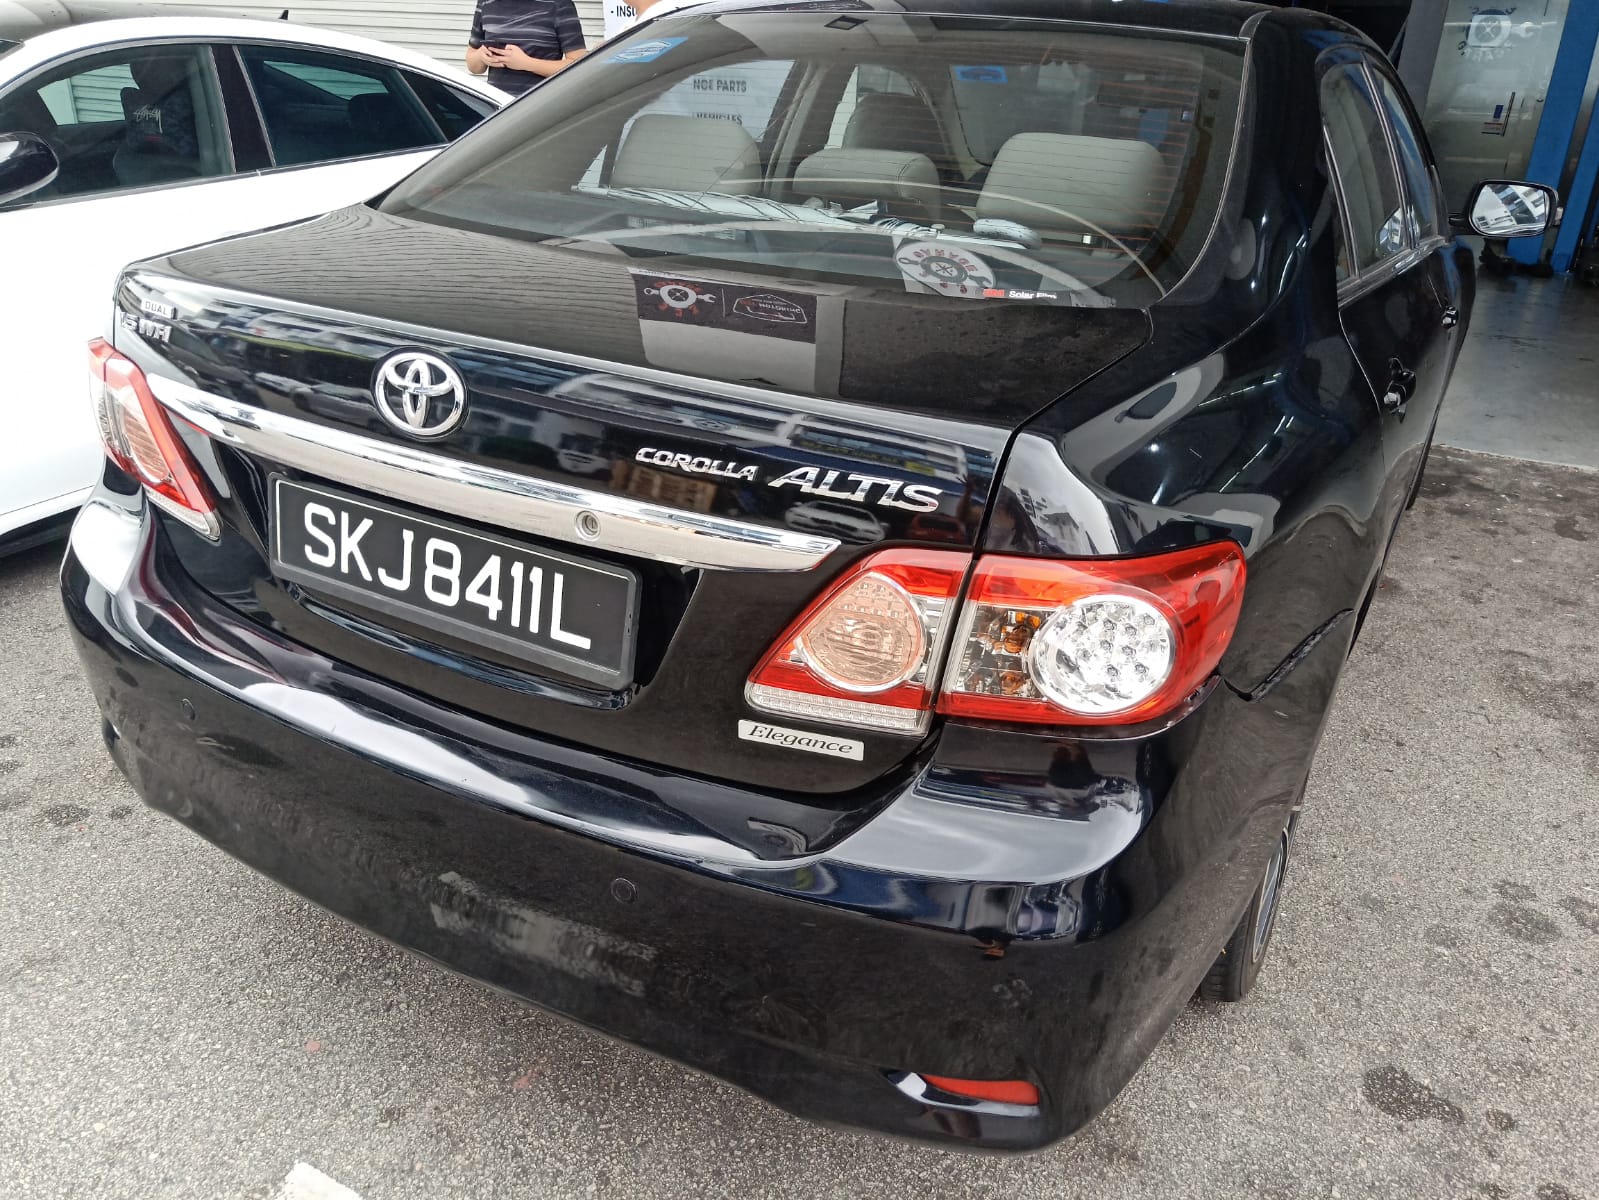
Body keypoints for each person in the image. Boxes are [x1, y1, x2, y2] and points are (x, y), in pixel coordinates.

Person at [466, 0, 586, 97]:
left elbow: (580, 66)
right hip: (498, 109)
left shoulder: (560, 4)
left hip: (541, 108)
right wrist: (481, 56)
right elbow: (474, 66)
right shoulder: (486, 3)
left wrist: (527, 64)